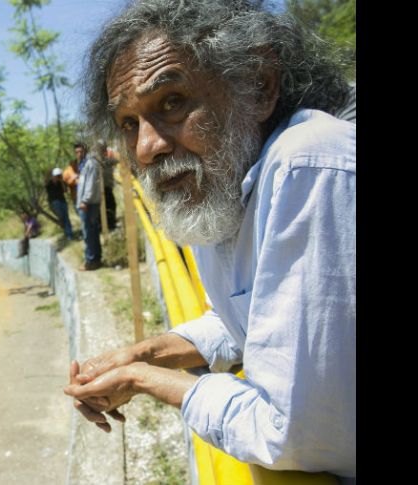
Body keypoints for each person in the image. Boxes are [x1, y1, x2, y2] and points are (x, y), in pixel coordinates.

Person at [64, 0, 355, 481]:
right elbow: (242, 315)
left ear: (258, 85)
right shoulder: (217, 178)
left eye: (172, 102)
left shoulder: (309, 164)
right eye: (130, 123)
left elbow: (299, 436)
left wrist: (147, 380)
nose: (146, 148)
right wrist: (141, 354)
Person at [74, 141, 102, 270]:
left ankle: (91, 261)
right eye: (76, 152)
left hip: (89, 204)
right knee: (92, 232)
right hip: (87, 204)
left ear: (85, 151)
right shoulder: (85, 164)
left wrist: (84, 201)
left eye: (80, 151)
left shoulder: (91, 163)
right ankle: (95, 260)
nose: (78, 154)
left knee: (89, 233)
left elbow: (90, 184)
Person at [96, 140, 118, 231]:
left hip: (107, 187)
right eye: (103, 148)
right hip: (102, 188)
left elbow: (117, 160)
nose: (105, 150)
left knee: (109, 206)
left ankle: (109, 224)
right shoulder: (99, 160)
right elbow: (117, 160)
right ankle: (108, 225)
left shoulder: (105, 159)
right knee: (108, 206)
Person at [46, 168, 74, 240]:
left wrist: (61, 182)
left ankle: (69, 234)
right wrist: (54, 178)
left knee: (66, 216)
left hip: (62, 200)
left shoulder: (61, 182)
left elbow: (65, 190)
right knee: (62, 217)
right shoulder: (49, 183)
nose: (58, 177)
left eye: (59, 175)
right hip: (55, 202)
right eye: (57, 175)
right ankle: (67, 232)